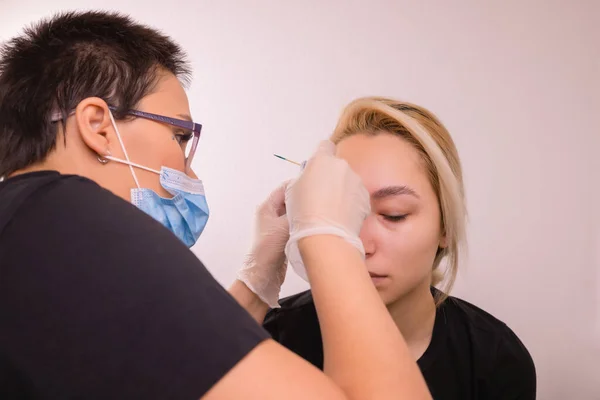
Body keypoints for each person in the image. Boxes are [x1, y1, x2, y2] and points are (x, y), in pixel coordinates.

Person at [0, 12, 432, 399]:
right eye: (180, 136)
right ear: (98, 125)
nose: (189, 173)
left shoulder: (32, 232)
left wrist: (258, 278)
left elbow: (185, 368)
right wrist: (329, 238)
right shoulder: (83, 228)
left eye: (393, 215)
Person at [260, 97, 537, 400]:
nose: (360, 245)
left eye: (394, 214)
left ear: (445, 226)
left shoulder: (495, 359)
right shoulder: (272, 337)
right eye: (346, 214)